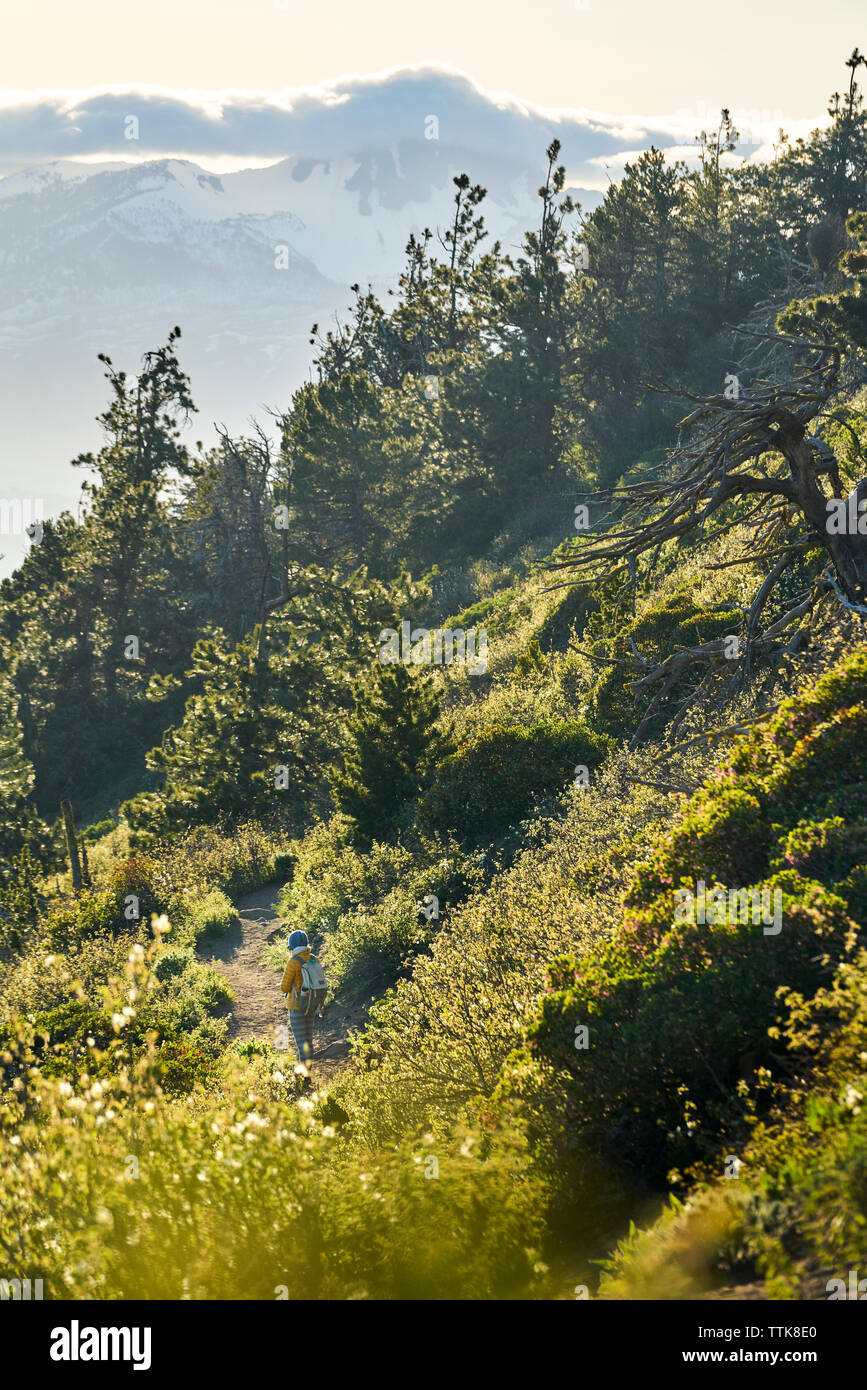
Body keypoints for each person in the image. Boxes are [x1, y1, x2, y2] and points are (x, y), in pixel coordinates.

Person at [280, 929, 319, 1066]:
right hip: (311, 1005)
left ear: (292, 946)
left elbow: (284, 987)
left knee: (301, 1042)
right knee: (308, 1040)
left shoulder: (293, 962)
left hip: (296, 1007)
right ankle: (308, 1070)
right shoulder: (314, 958)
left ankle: (304, 1076)